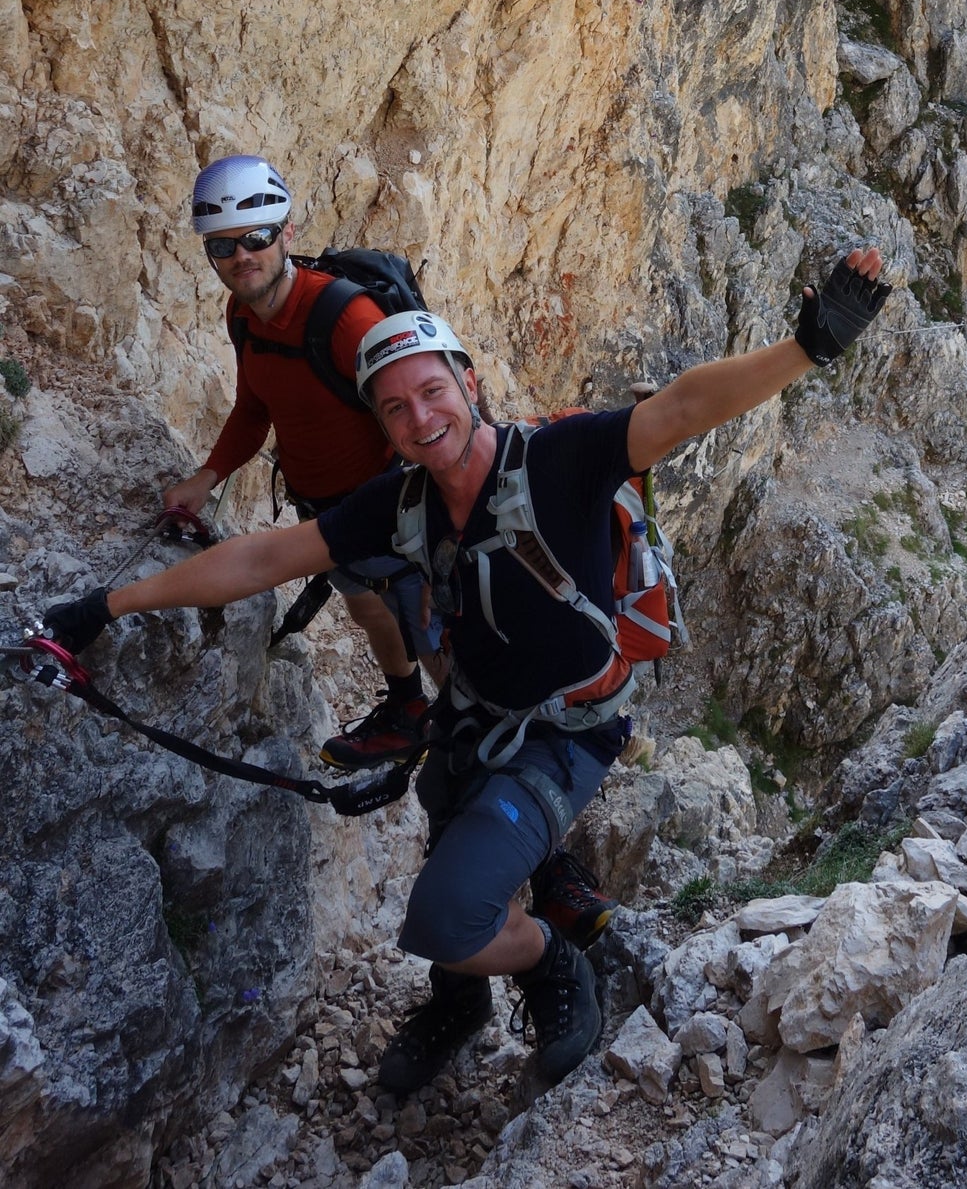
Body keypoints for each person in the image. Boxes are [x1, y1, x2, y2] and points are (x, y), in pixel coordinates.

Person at [45, 247, 891, 1093]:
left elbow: (680, 409)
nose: (420, 418)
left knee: (445, 914)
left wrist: (806, 348)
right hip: (471, 716)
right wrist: (106, 607)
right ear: (381, 426)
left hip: (565, 734)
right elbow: (265, 557)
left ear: (469, 383)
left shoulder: (561, 460)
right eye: (396, 408)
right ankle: (460, 1002)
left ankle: (555, 964)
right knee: (451, 841)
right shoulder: (402, 502)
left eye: (432, 391)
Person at [173, 154, 444, 769]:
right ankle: (407, 709)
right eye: (223, 247)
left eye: (258, 237)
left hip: (394, 506)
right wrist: (207, 476)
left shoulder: (347, 319)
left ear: (287, 234)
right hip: (326, 512)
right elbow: (254, 406)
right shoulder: (243, 314)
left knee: (436, 638)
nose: (243, 256)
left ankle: (481, 763)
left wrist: (443, 542)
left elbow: (428, 425)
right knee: (368, 606)